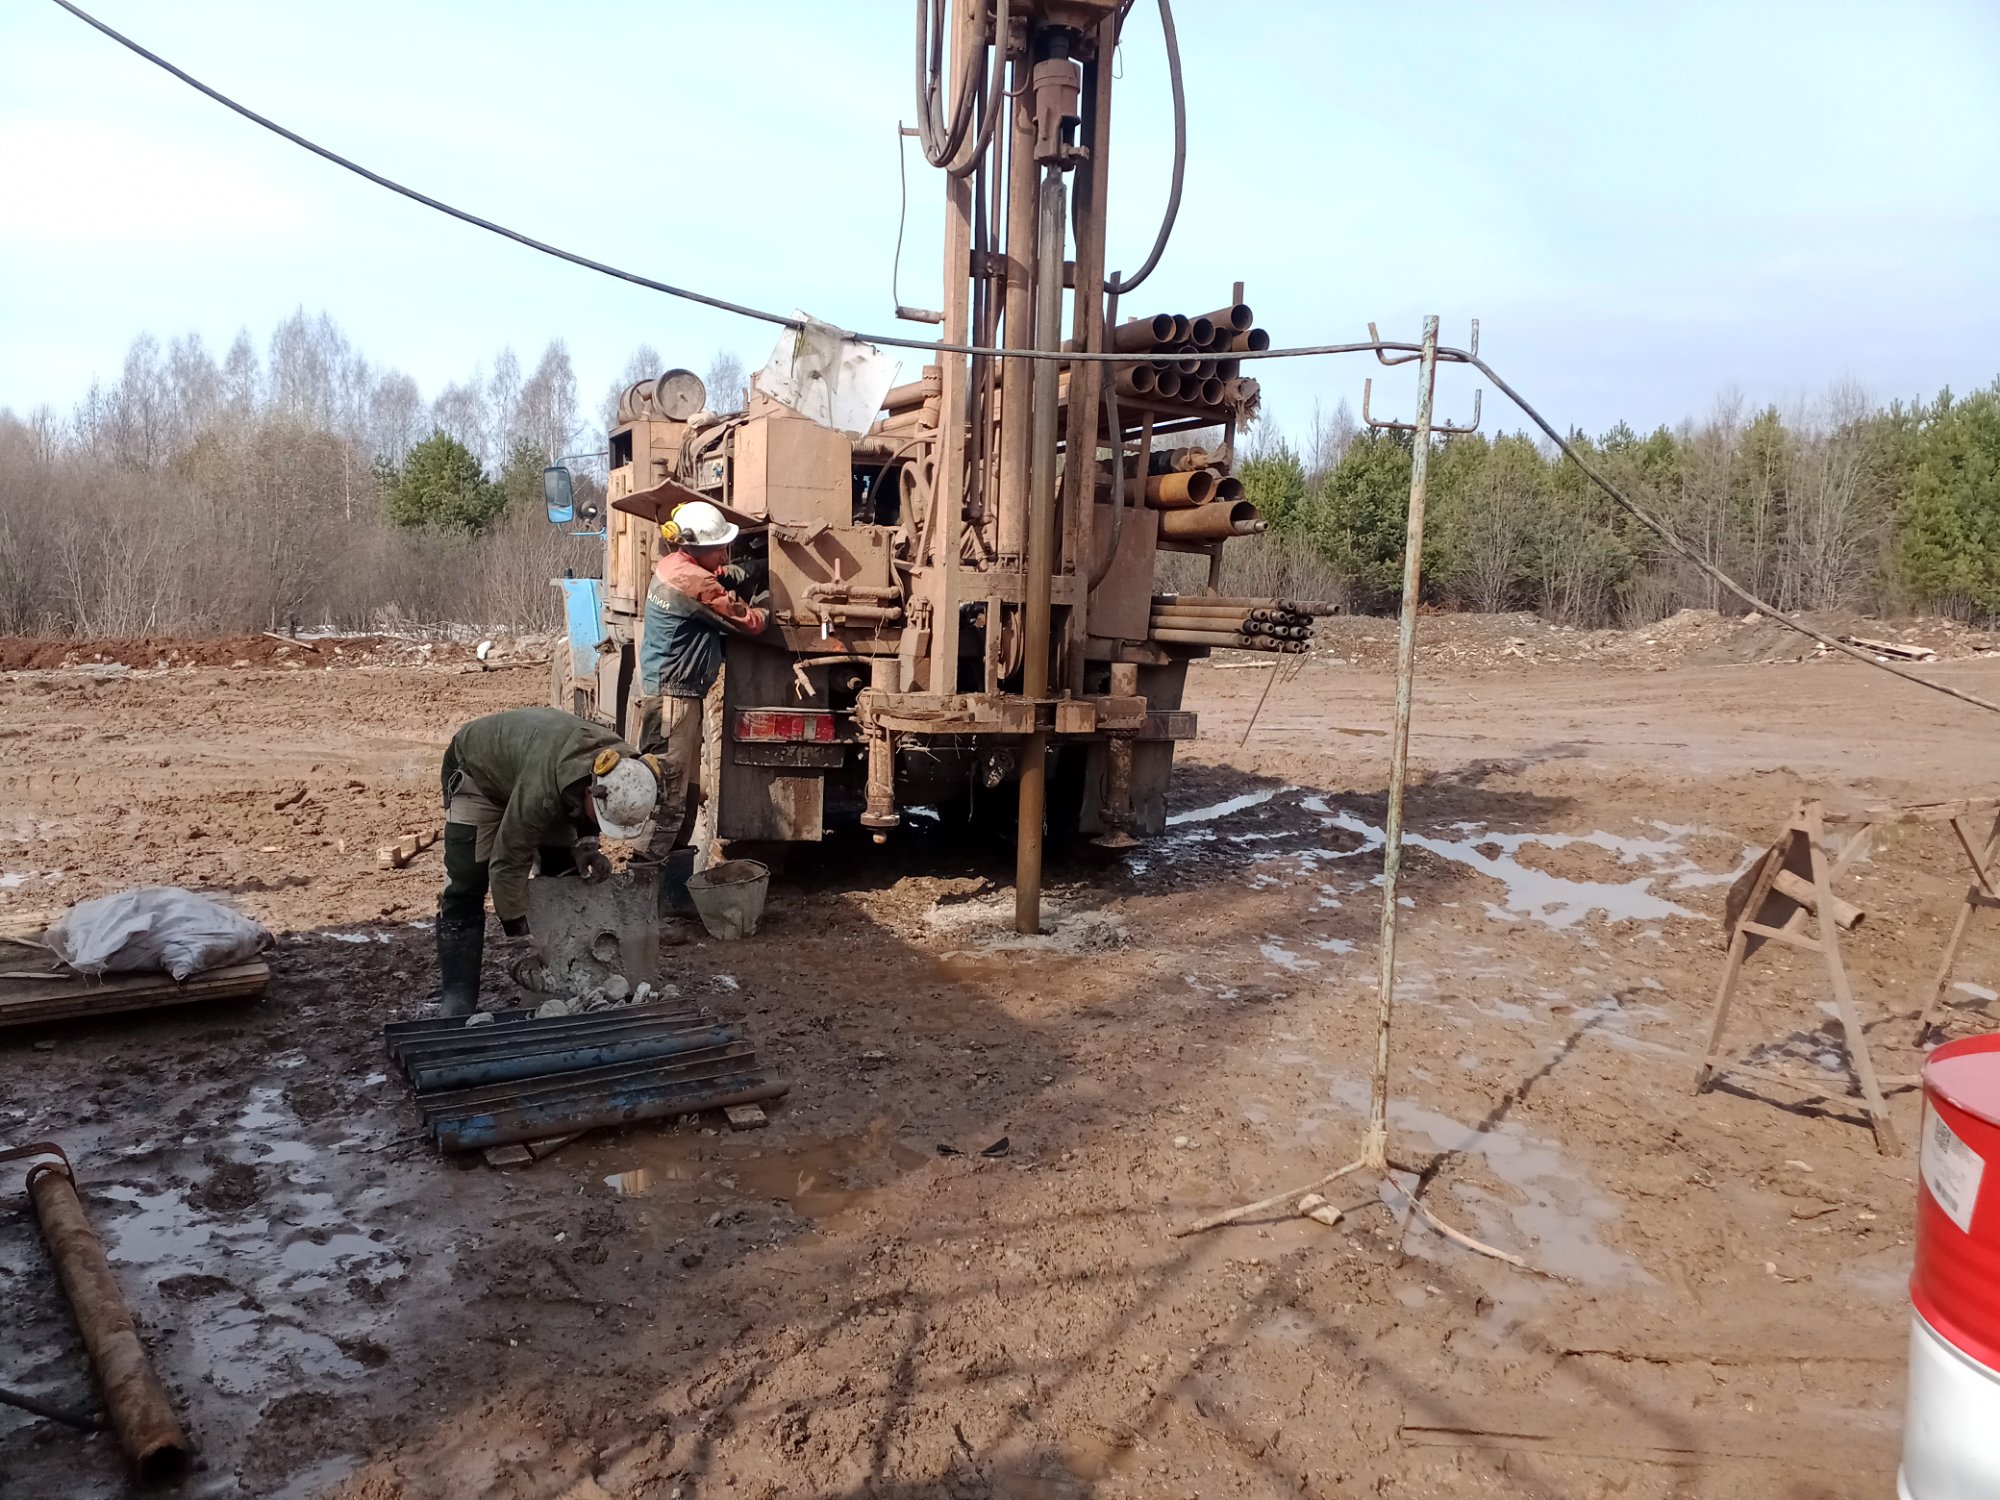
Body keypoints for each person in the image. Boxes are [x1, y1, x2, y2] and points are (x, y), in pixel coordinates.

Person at [434, 706, 662, 1017]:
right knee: (466, 881)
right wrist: (518, 939)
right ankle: (457, 997)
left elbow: (588, 808)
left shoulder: (624, 768)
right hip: (477, 774)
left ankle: (566, 976)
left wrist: (586, 846)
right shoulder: (542, 792)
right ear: (591, 791)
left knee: (561, 870)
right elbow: (508, 862)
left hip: (541, 774)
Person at [634, 500, 769, 856]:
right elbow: (749, 622)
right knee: (669, 793)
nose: (725, 554)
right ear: (696, 547)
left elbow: (720, 574)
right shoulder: (693, 581)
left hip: (675, 693)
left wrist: (755, 568)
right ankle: (645, 872)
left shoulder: (674, 564)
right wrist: (771, 606)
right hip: (673, 700)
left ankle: (672, 874)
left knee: (686, 791)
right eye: (719, 548)